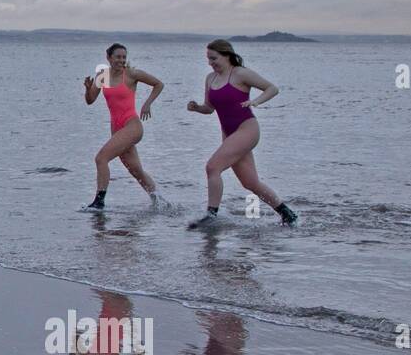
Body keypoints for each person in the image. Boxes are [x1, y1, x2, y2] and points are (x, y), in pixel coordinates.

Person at [186, 39, 297, 228]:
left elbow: (272, 88)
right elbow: (210, 108)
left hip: (247, 129)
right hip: (228, 133)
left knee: (212, 167)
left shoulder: (240, 74)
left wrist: (256, 101)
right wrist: (197, 108)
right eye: (208, 59)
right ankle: (287, 214)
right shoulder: (210, 78)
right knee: (250, 182)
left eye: (214, 58)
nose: (210, 63)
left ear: (227, 55)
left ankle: (211, 215)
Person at [81, 43, 163, 211]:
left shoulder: (132, 74)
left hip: (132, 125)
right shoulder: (102, 76)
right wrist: (88, 90)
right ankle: (160, 203)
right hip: (117, 129)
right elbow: (90, 101)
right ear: (109, 57)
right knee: (136, 171)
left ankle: (99, 202)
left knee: (101, 159)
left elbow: (158, 84)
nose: (121, 60)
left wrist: (147, 104)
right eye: (118, 57)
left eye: (124, 57)